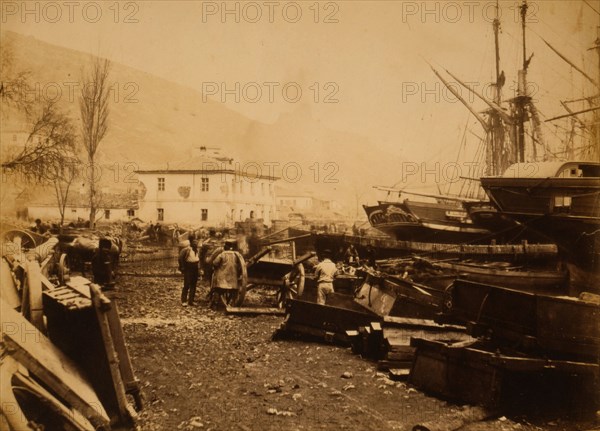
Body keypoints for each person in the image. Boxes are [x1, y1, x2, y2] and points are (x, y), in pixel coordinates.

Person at [209, 239, 246, 308]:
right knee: (234, 290)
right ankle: (231, 303)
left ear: (225, 247)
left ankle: (215, 304)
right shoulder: (236, 255)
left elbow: (215, 263)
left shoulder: (222, 254)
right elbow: (240, 265)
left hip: (222, 276)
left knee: (219, 290)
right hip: (233, 277)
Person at [178, 238, 200, 306]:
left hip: (195, 267)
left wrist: (199, 269)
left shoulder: (197, 250)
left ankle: (191, 301)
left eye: (196, 243)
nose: (195, 244)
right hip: (188, 267)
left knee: (193, 284)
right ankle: (184, 301)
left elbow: (198, 260)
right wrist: (182, 267)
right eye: (194, 243)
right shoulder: (186, 250)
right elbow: (180, 258)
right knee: (187, 284)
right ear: (191, 244)